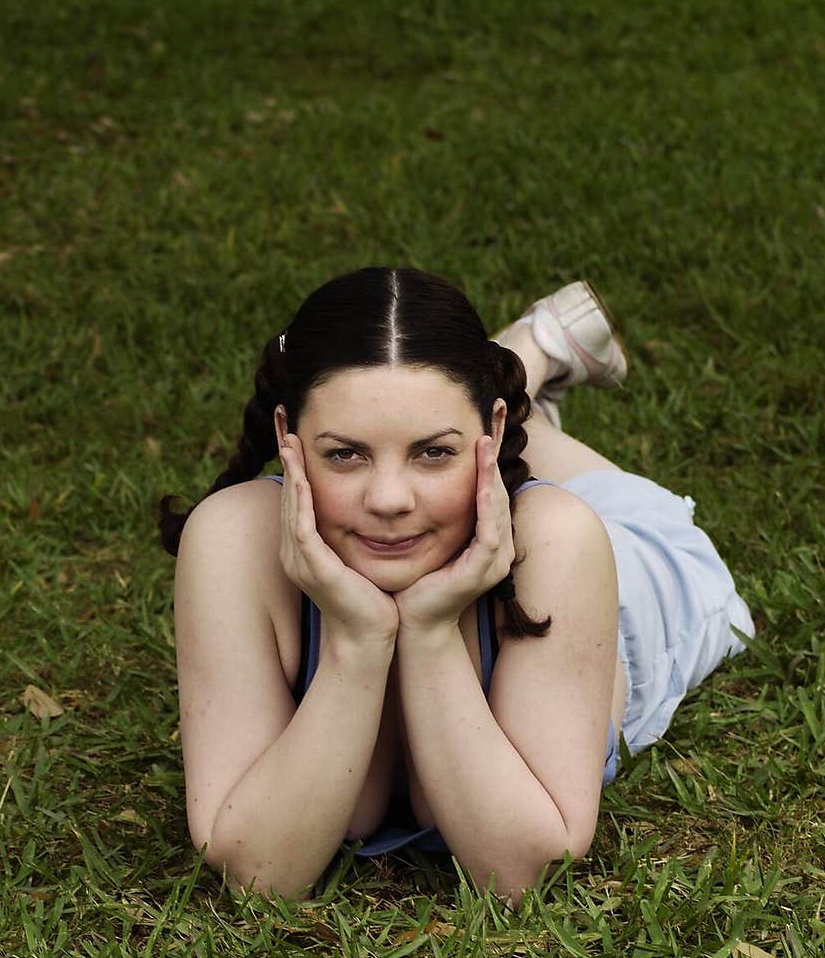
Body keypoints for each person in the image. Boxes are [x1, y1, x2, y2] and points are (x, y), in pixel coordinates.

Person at [159, 267, 754, 905]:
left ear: (492, 433)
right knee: (437, 449)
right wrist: (360, 638)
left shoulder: (560, 544)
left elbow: (524, 869)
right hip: (469, 499)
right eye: (345, 454)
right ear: (287, 439)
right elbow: (260, 873)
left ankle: (532, 365)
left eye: (433, 452)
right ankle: (516, 369)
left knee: (574, 497)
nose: (388, 500)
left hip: (629, 573)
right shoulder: (232, 538)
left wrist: (431, 628)